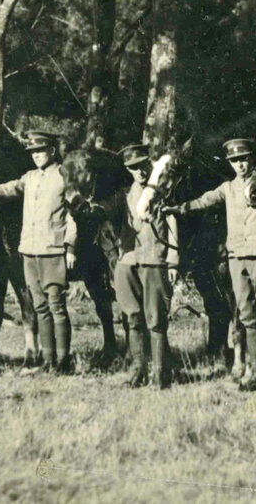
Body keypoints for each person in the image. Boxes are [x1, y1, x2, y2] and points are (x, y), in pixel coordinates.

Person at [167, 138, 256, 392]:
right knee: (247, 317)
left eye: (244, 159)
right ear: (230, 164)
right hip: (237, 258)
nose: (240, 165)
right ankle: (255, 372)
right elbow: (205, 200)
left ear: (252, 160)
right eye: (235, 161)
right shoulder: (227, 188)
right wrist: (180, 208)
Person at [0, 131, 76, 372]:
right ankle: (47, 359)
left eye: (40, 151)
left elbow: (73, 215)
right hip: (29, 251)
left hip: (53, 249)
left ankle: (63, 361)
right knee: (40, 306)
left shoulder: (64, 176)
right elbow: (7, 189)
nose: (36, 156)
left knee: (56, 306)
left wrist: (70, 247)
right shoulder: (30, 177)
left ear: (52, 151)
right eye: (33, 153)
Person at [115, 144, 180, 388]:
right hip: (131, 258)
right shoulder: (127, 193)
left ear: (148, 164)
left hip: (155, 257)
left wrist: (173, 259)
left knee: (155, 318)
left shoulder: (162, 189)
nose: (138, 172)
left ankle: (161, 374)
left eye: (141, 166)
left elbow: (173, 224)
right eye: (132, 168)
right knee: (132, 316)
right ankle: (138, 370)